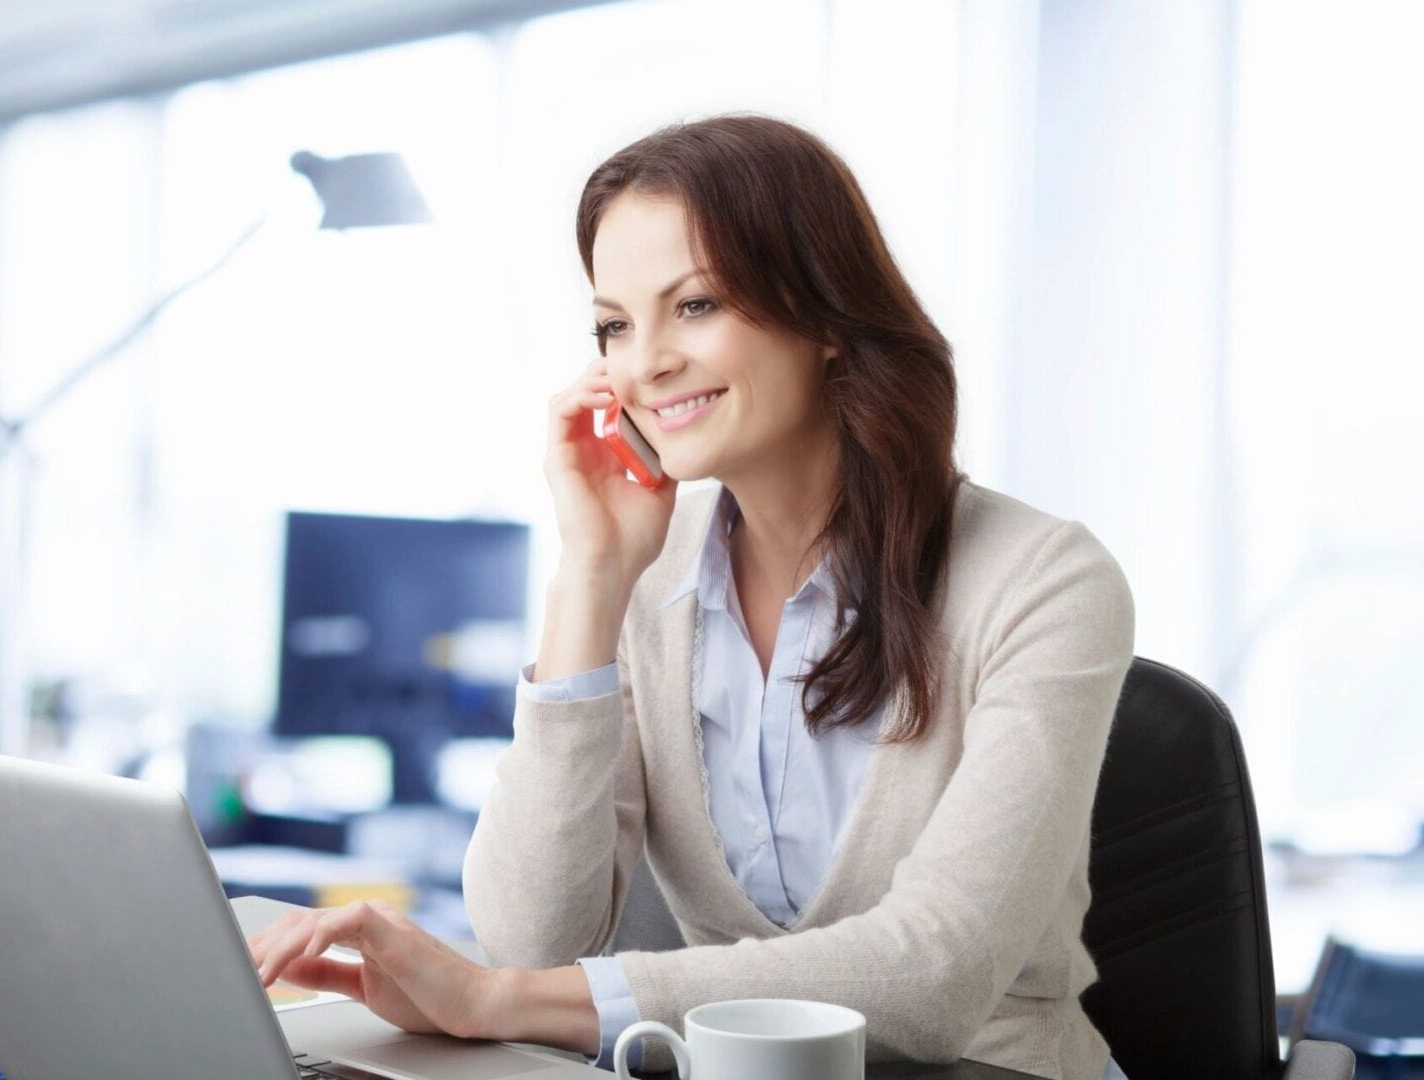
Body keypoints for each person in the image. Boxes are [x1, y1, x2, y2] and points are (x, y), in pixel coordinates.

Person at [250, 113, 1134, 1080]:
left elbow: (935, 978)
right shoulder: (650, 575)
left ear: (828, 320)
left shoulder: (1045, 581)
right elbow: (532, 940)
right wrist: (591, 577)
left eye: (697, 305)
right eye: (615, 325)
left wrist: (500, 1002)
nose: (644, 362)